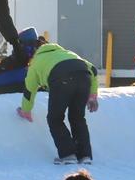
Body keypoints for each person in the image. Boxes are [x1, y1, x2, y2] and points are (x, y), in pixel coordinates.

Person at [16, 38, 99, 166]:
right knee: (78, 118)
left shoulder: (37, 61)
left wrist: (25, 110)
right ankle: (85, 156)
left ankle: (68, 155)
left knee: (55, 118)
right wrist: (92, 95)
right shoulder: (67, 53)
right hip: (83, 76)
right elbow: (93, 70)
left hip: (60, 78)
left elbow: (29, 89)